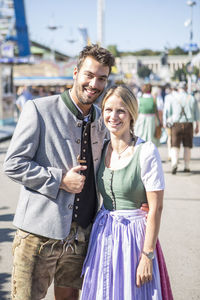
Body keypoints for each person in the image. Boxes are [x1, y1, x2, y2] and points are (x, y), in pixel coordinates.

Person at [3, 44, 115, 300]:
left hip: (81, 236)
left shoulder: (102, 119)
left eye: (102, 78)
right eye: (89, 74)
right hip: (37, 234)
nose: (94, 84)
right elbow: (13, 164)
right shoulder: (39, 109)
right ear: (75, 72)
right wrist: (59, 179)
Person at [80, 85, 173, 300]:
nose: (113, 116)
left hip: (134, 238)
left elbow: (156, 207)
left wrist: (147, 256)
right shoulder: (101, 148)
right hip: (103, 235)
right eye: (108, 110)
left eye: (120, 110)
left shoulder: (146, 151)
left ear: (131, 113)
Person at [163, 82, 199, 174]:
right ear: (186, 88)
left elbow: (169, 113)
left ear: (178, 88)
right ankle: (187, 166)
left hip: (176, 124)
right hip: (188, 124)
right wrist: (197, 126)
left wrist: (166, 122)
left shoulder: (173, 98)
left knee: (175, 145)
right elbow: (197, 114)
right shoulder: (192, 98)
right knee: (187, 146)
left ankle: (174, 163)